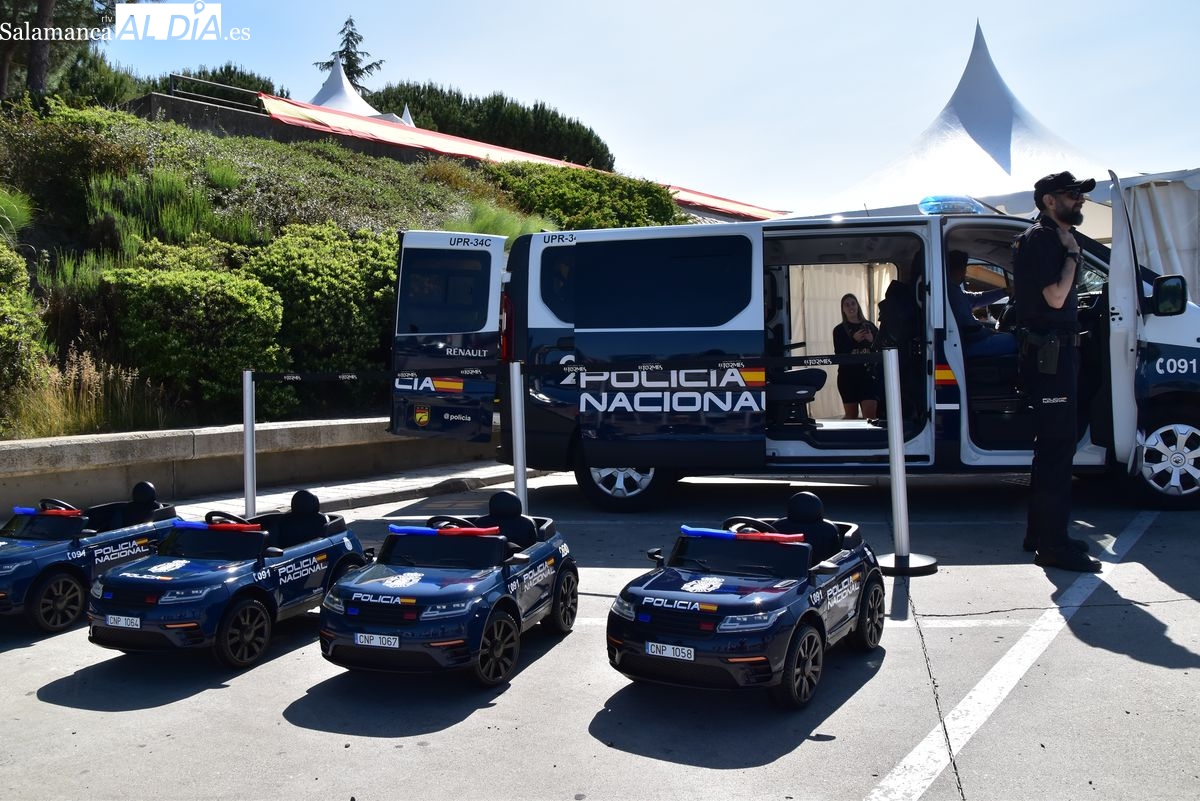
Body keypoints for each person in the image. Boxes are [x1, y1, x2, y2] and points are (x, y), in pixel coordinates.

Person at [1012, 171, 1101, 572]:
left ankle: (1042, 534)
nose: (1080, 200)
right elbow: (1056, 296)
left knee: (1050, 449)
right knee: (1057, 450)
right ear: (1049, 200)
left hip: (1055, 354)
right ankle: (1052, 545)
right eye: (1072, 194)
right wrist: (1072, 253)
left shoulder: (1050, 237)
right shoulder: (1046, 239)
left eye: (1081, 194)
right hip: (1051, 357)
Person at [946, 250, 1018, 358]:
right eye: (964, 269)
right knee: (1015, 341)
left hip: (964, 342)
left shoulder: (953, 290)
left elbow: (977, 298)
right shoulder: (952, 294)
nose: (964, 273)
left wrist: (1004, 291)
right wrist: (989, 332)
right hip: (966, 345)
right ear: (958, 270)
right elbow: (970, 330)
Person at [832, 293, 879, 419]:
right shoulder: (839, 330)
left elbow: (881, 349)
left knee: (870, 416)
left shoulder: (870, 326)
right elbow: (839, 353)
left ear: (858, 306)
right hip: (848, 377)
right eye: (846, 305)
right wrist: (853, 340)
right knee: (851, 416)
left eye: (853, 303)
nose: (850, 307)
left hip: (868, 376)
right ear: (843, 309)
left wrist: (872, 341)